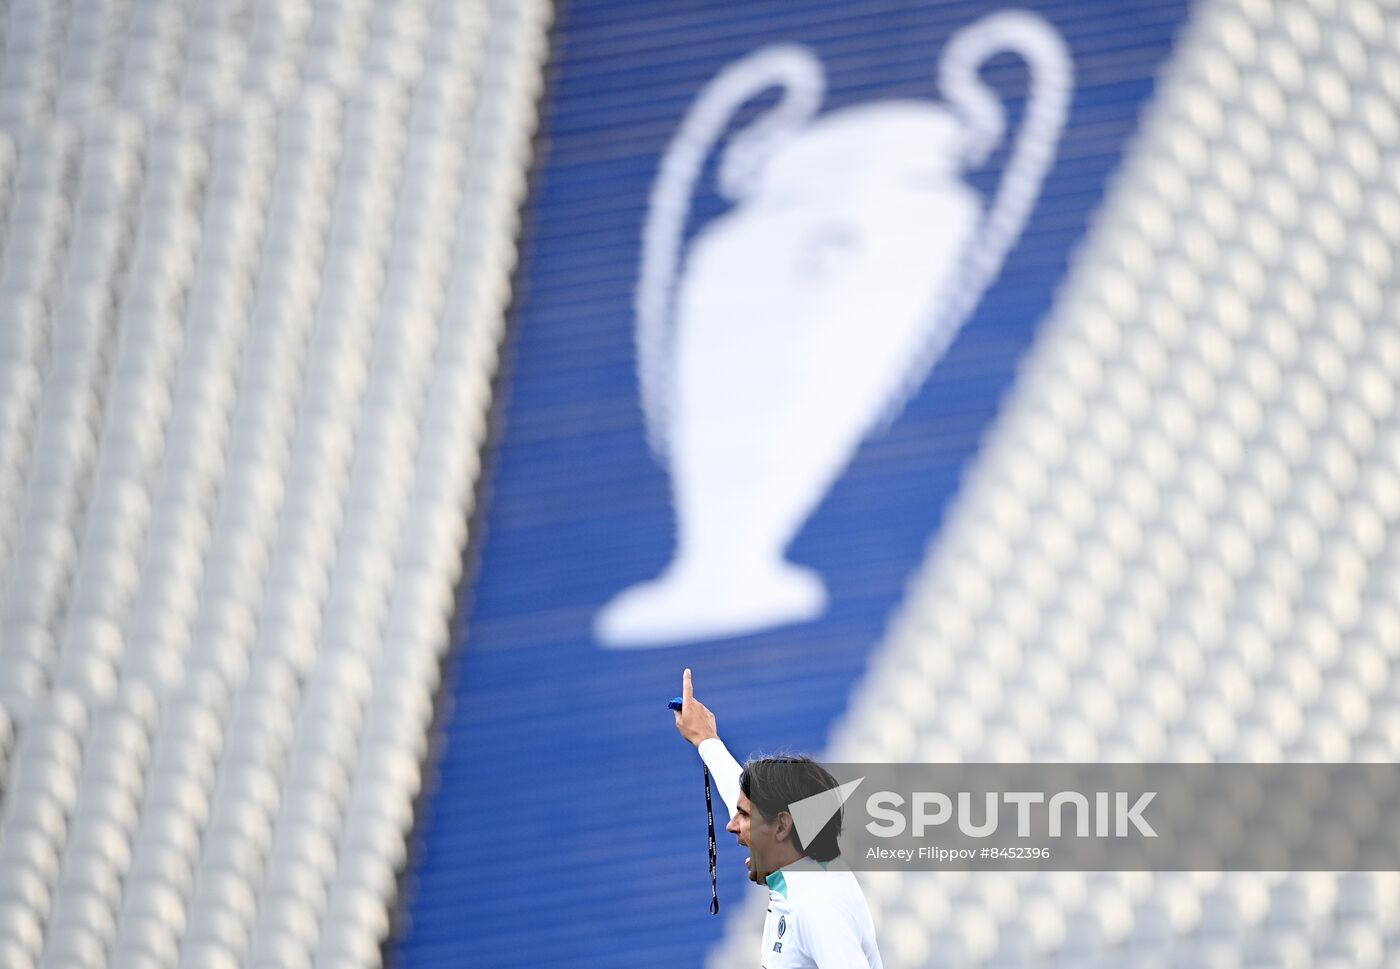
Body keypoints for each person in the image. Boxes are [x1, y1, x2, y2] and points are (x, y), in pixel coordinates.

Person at [674, 668, 883, 968]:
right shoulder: (804, 863)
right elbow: (749, 801)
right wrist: (706, 740)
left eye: (743, 816)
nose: (731, 824)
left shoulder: (818, 908)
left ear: (783, 826)